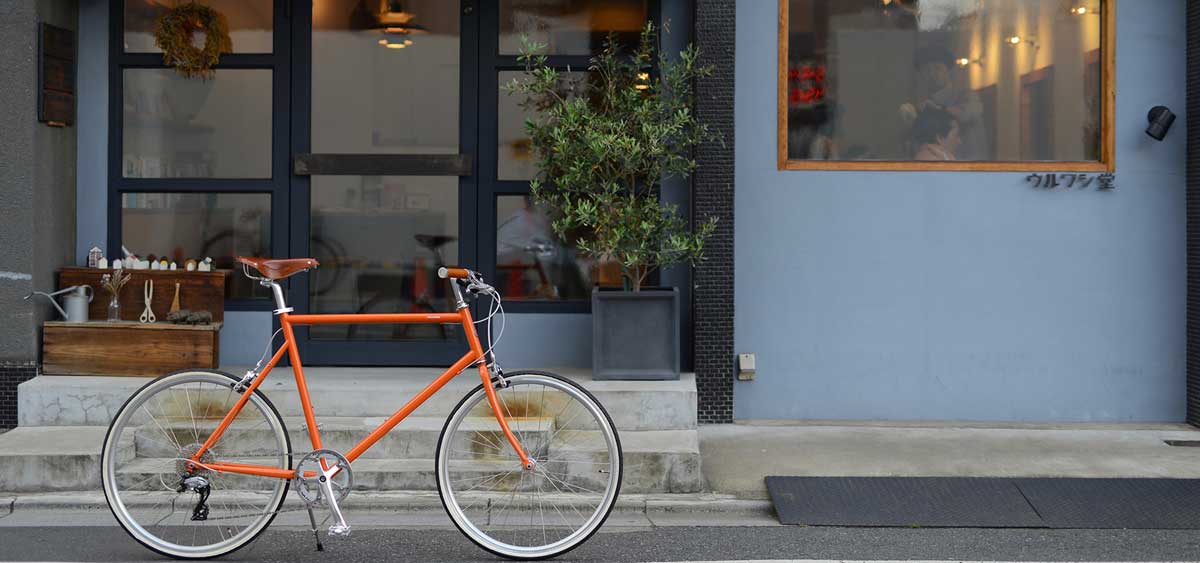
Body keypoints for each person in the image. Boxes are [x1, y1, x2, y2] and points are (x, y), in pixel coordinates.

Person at [901, 46, 986, 160]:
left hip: (968, 164)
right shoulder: (923, 105)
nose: (932, 74)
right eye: (927, 70)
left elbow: (972, 111)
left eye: (937, 68)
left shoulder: (965, 95)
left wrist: (938, 110)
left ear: (948, 71)